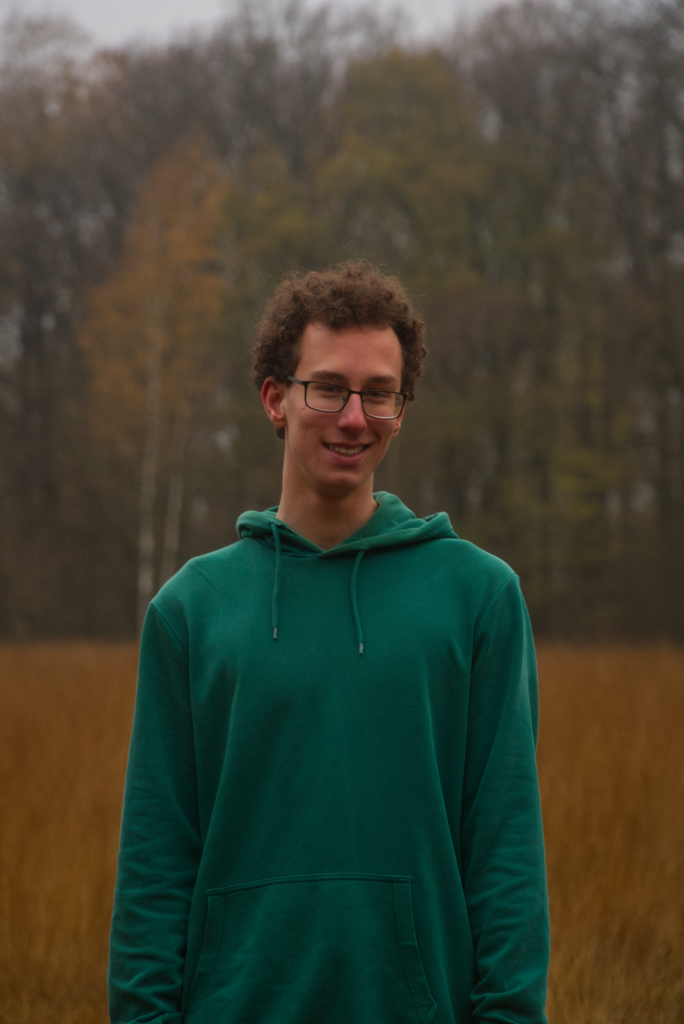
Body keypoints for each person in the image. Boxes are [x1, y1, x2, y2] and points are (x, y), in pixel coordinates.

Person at [109, 261, 550, 1024]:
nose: (354, 417)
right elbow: (156, 863)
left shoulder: (479, 598)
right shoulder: (191, 611)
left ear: (401, 410)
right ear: (275, 399)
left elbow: (505, 850)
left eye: (379, 393)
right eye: (328, 388)